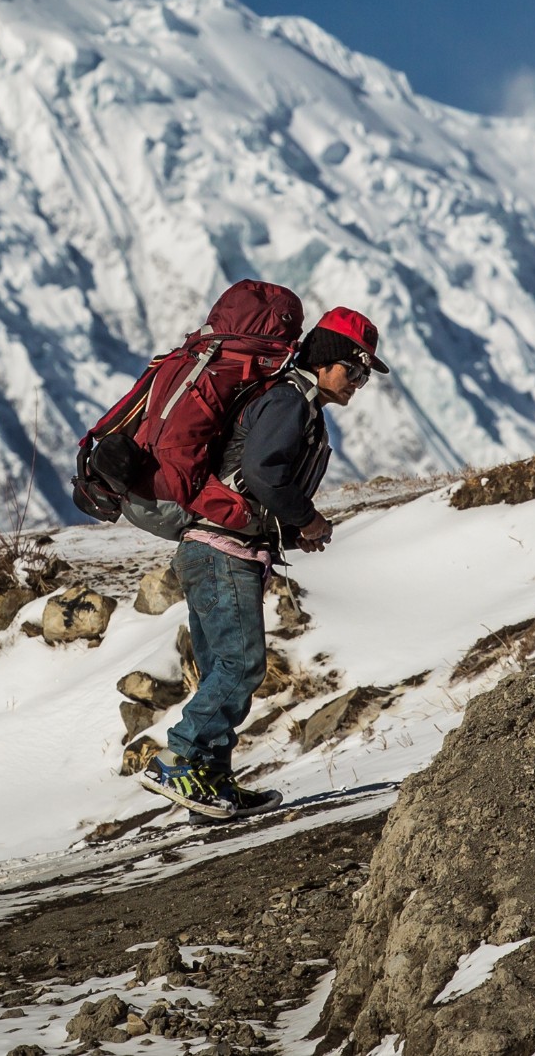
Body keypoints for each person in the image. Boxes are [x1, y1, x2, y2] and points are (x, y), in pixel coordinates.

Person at [139, 306, 389, 817]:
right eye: (355, 368)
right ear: (326, 360)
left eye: (365, 373)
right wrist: (310, 519)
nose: (360, 382)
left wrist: (292, 531)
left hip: (212, 548)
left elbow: (254, 483)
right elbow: (263, 472)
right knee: (243, 663)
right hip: (221, 551)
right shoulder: (288, 400)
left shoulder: (291, 401)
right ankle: (177, 760)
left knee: (219, 667)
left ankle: (209, 781)